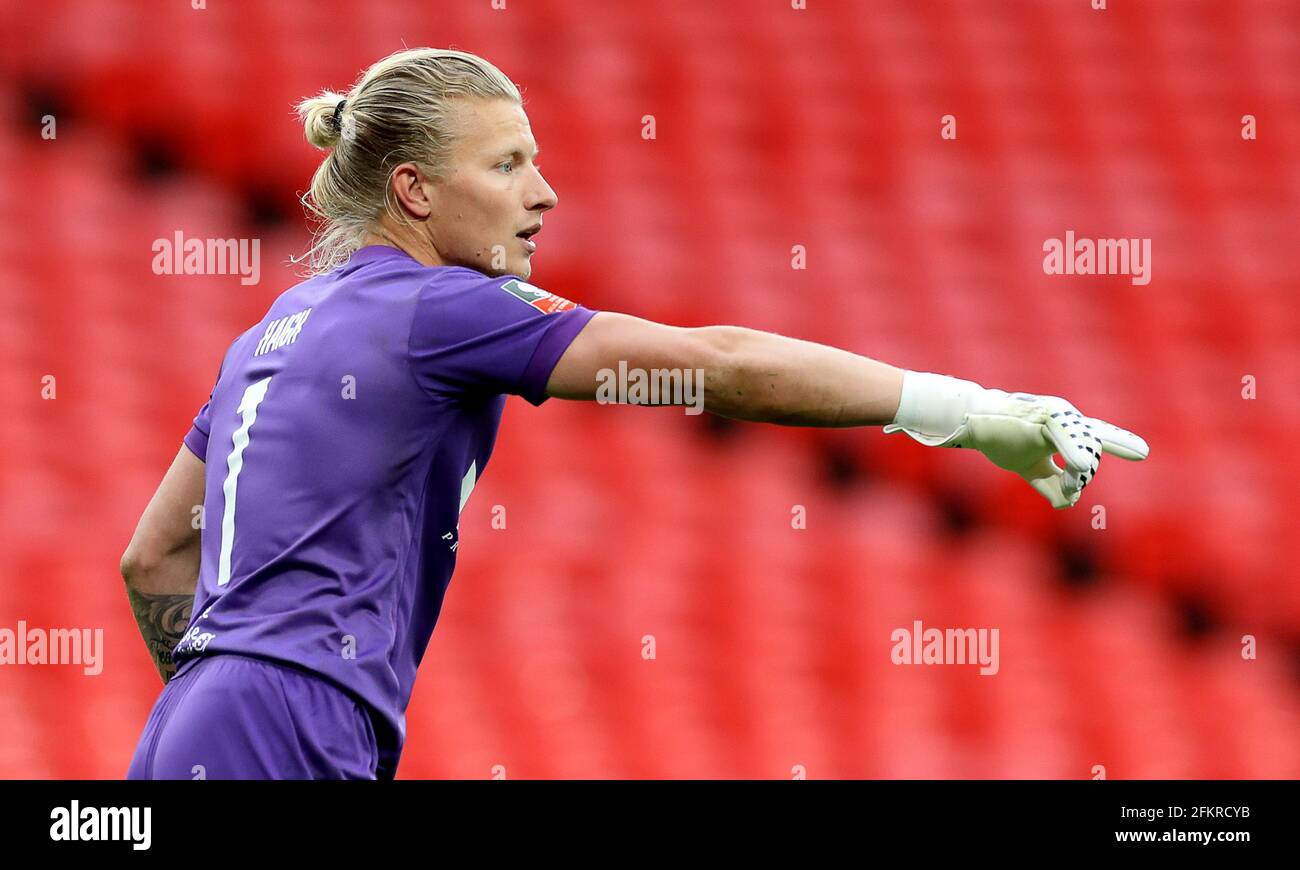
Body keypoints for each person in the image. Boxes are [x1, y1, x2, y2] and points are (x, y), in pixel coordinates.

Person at [120, 48, 1147, 780]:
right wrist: (964, 412)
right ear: (413, 190)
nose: (546, 192)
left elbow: (155, 556)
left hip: (195, 727)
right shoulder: (439, 308)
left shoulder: (274, 329)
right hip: (292, 721)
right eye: (508, 164)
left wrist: (217, 704)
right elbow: (716, 365)